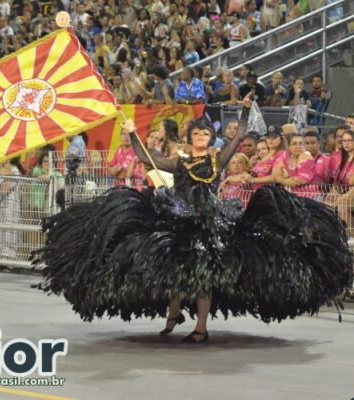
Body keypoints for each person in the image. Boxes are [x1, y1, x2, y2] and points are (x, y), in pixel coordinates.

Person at [33, 95, 352, 343]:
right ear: (190, 136)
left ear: (209, 136)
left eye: (204, 132)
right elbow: (148, 158)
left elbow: (239, 136)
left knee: (202, 277)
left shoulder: (218, 157)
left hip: (211, 222)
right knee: (176, 272)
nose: (200, 136)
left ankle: (200, 326)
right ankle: (174, 314)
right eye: (196, 132)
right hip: (179, 219)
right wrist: (132, 134)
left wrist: (243, 111)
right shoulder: (180, 160)